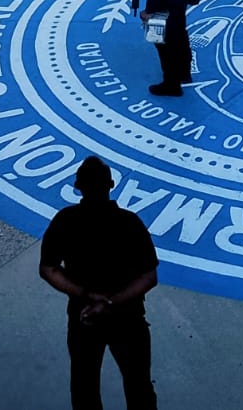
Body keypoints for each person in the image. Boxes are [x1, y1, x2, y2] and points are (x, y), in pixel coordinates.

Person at [39, 156, 159, 410]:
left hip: (84, 316)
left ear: (78, 186)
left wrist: (86, 295)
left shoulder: (65, 221)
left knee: (84, 387)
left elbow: (49, 269)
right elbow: (149, 277)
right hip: (128, 317)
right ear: (111, 185)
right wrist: (112, 303)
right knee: (139, 387)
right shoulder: (130, 223)